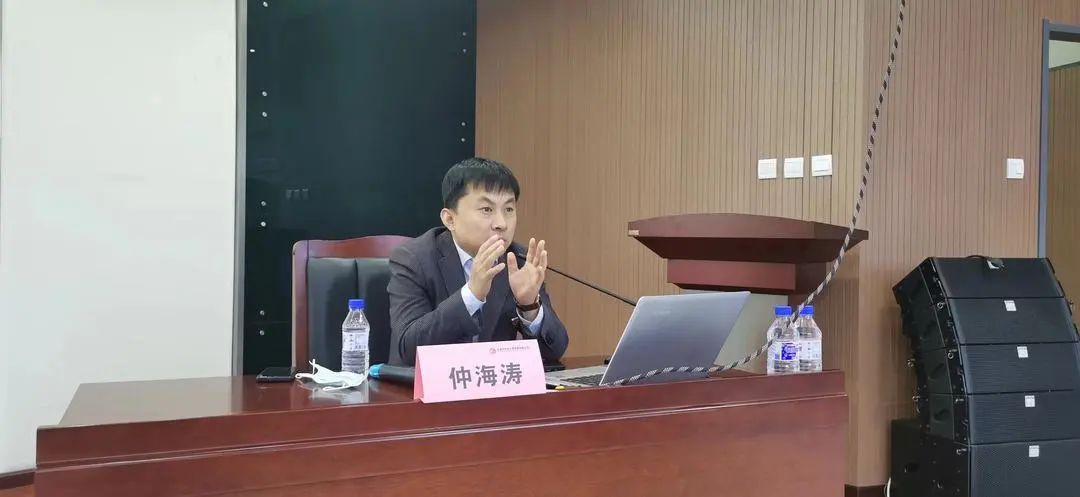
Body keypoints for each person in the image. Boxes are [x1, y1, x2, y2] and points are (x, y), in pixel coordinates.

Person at [387, 157, 569, 366]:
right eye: (486, 210)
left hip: (492, 383)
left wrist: (529, 306)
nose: (501, 223)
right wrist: (471, 295)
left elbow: (555, 350)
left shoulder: (517, 261)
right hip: (428, 385)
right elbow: (408, 349)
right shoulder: (413, 259)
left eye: (509, 209)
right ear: (450, 219)